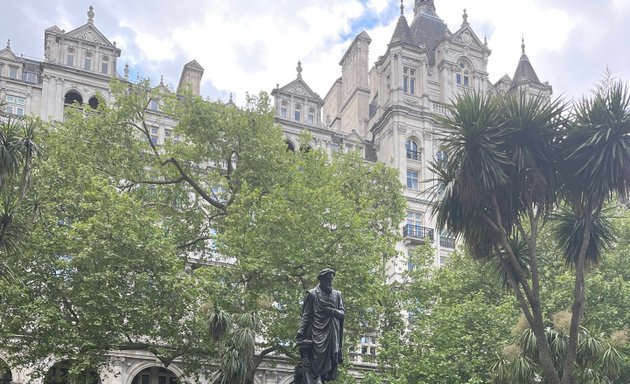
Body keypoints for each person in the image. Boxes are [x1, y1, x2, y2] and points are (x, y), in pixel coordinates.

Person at [297, 269, 344, 383]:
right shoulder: (312, 294)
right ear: (321, 280)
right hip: (315, 333)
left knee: (328, 365)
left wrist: (332, 311)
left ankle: (320, 380)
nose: (330, 282)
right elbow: (306, 315)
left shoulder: (337, 294)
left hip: (331, 334)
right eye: (328, 279)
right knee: (314, 364)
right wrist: (300, 332)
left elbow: (342, 314)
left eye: (331, 279)